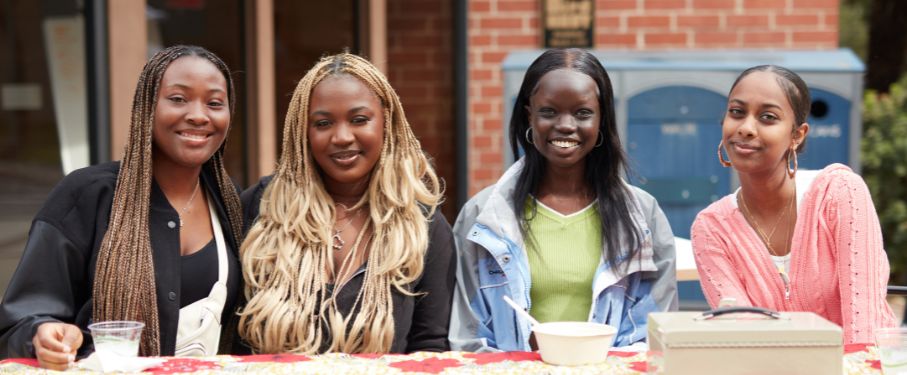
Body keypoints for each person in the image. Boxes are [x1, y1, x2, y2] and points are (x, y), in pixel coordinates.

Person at [0, 45, 245, 368]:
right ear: (146, 107)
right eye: (178, 99)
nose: (198, 115)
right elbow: (21, 318)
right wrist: (43, 332)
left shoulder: (231, 207)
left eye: (214, 103)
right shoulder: (88, 195)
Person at [449, 48, 678, 352]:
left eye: (582, 113)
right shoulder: (482, 215)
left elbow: (654, 336)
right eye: (549, 112)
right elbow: (467, 340)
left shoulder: (643, 215)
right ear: (529, 115)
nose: (566, 125)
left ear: (601, 121)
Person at [238, 53, 455, 354]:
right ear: (304, 133)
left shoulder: (423, 227)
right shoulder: (262, 207)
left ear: (386, 123)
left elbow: (430, 348)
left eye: (359, 120)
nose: (341, 137)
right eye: (323, 123)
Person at [692, 65, 896, 344]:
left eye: (768, 117)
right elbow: (744, 340)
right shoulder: (711, 228)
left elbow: (864, 332)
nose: (746, 128)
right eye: (737, 112)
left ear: (797, 135)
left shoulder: (839, 194)